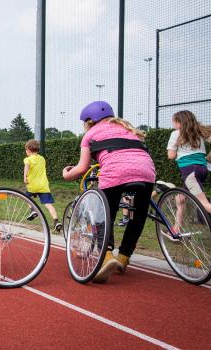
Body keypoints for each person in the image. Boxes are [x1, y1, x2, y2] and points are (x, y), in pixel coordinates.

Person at [62, 101, 155, 283]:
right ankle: (124, 258)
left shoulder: (90, 135)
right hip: (146, 172)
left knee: (104, 214)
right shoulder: (129, 129)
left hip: (116, 173)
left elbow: (82, 168)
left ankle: (106, 256)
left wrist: (66, 174)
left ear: (90, 121)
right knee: (137, 217)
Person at [167, 110, 211, 238]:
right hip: (201, 169)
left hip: (190, 172)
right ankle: (176, 229)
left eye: (174, 122)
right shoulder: (199, 131)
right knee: (180, 198)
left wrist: (177, 149)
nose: (173, 125)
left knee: (203, 204)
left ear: (179, 122)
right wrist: (209, 157)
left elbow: (170, 156)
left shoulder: (176, 134)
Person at [23, 139, 62, 232]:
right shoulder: (42, 159)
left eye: (26, 150)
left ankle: (33, 210)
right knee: (48, 204)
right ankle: (56, 221)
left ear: (28, 149)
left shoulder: (27, 159)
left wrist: (25, 177)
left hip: (32, 185)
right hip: (43, 186)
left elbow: (26, 168)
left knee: (26, 197)